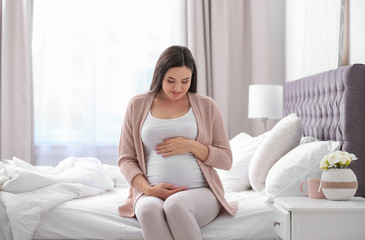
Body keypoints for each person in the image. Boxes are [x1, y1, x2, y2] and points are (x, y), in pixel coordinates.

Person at [118, 45, 237, 240]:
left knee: (175, 205)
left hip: (200, 192)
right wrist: (149, 190)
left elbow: (226, 160)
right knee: (148, 211)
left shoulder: (206, 106)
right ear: (159, 76)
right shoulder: (137, 105)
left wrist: (192, 145)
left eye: (185, 81)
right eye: (170, 81)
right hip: (150, 192)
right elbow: (125, 159)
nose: (178, 88)